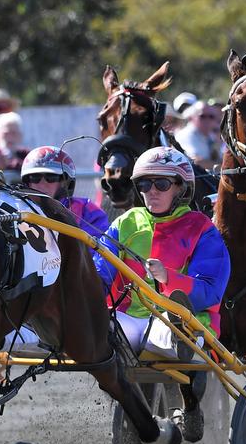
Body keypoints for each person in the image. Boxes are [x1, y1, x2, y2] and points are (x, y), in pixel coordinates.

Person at [94, 146, 230, 367]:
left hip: (184, 318)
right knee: (99, 326)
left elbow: (211, 291)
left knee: (164, 331)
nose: (152, 191)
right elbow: (101, 270)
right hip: (129, 320)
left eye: (162, 184)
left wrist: (168, 278)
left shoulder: (202, 229)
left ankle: (178, 337)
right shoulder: (126, 222)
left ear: (180, 188)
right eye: (145, 185)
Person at [19, 146, 109, 238]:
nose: (43, 183)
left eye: (51, 177)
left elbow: (97, 250)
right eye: (35, 177)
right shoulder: (17, 211)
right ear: (27, 183)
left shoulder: (86, 211)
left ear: (65, 182)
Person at [173, 101, 223, 170]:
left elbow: (220, 158)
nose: (207, 120)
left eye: (211, 117)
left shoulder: (211, 136)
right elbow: (196, 162)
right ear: (192, 117)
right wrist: (222, 166)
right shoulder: (186, 135)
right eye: (202, 116)